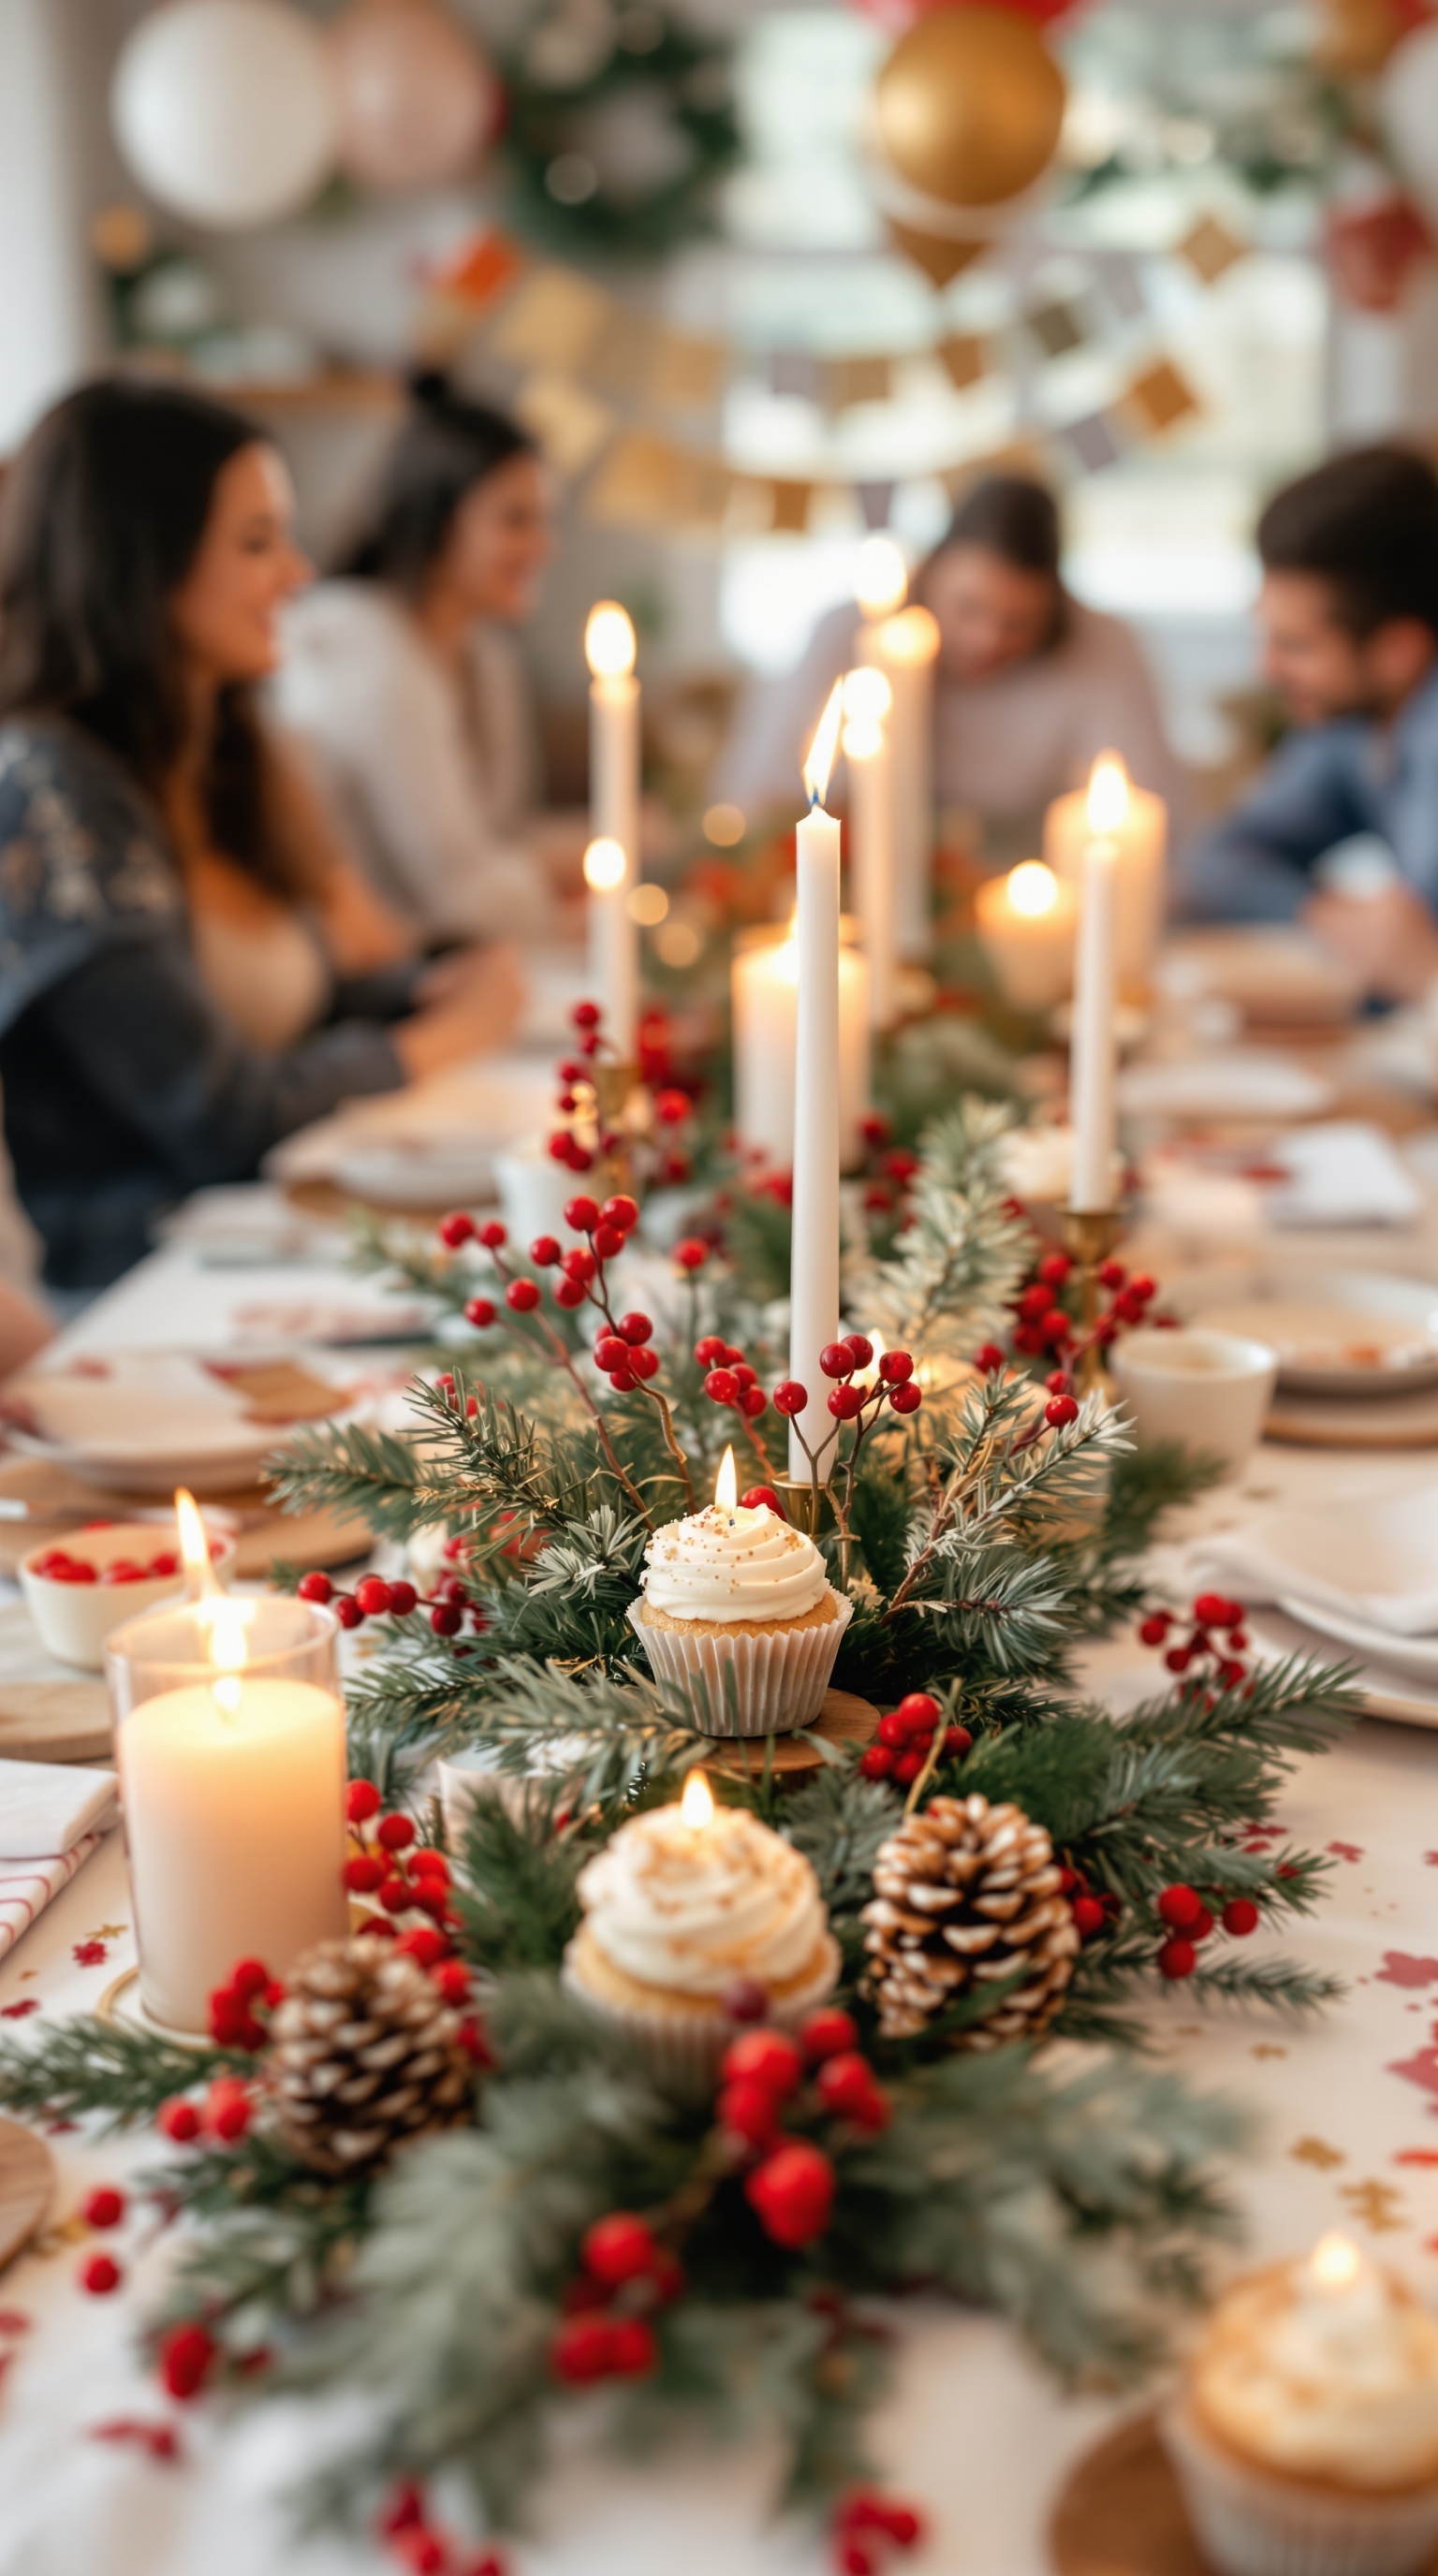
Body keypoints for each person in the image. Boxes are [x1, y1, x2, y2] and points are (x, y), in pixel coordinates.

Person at [0, 377, 522, 1293]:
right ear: (140, 561)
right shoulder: (51, 792)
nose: (299, 572)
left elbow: (291, 1004)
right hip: (141, 1298)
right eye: (256, 541)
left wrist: (415, 988)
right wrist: (443, 1035)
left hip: (274, 1260)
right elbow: (216, 1113)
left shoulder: (224, 748)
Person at [276, 373, 582, 945]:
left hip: (450, 951)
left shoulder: (487, 657)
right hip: (373, 968)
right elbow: (455, 889)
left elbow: (497, 840)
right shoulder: (368, 650)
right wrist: (578, 893)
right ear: (440, 520)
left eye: (546, 519)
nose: (545, 545)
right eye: (516, 520)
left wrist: (615, 842)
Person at [713, 474, 1182, 841]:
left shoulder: (1100, 648)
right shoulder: (850, 635)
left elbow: (1152, 813)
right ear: (931, 572)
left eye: (1017, 623)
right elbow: (760, 798)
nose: (987, 639)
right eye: (968, 608)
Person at [1176, 446, 1438, 1001]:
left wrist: (1426, 972)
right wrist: (1327, 915)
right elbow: (1221, 860)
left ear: (1399, 649)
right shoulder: (1349, 726)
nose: (1266, 668)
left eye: (1295, 646)